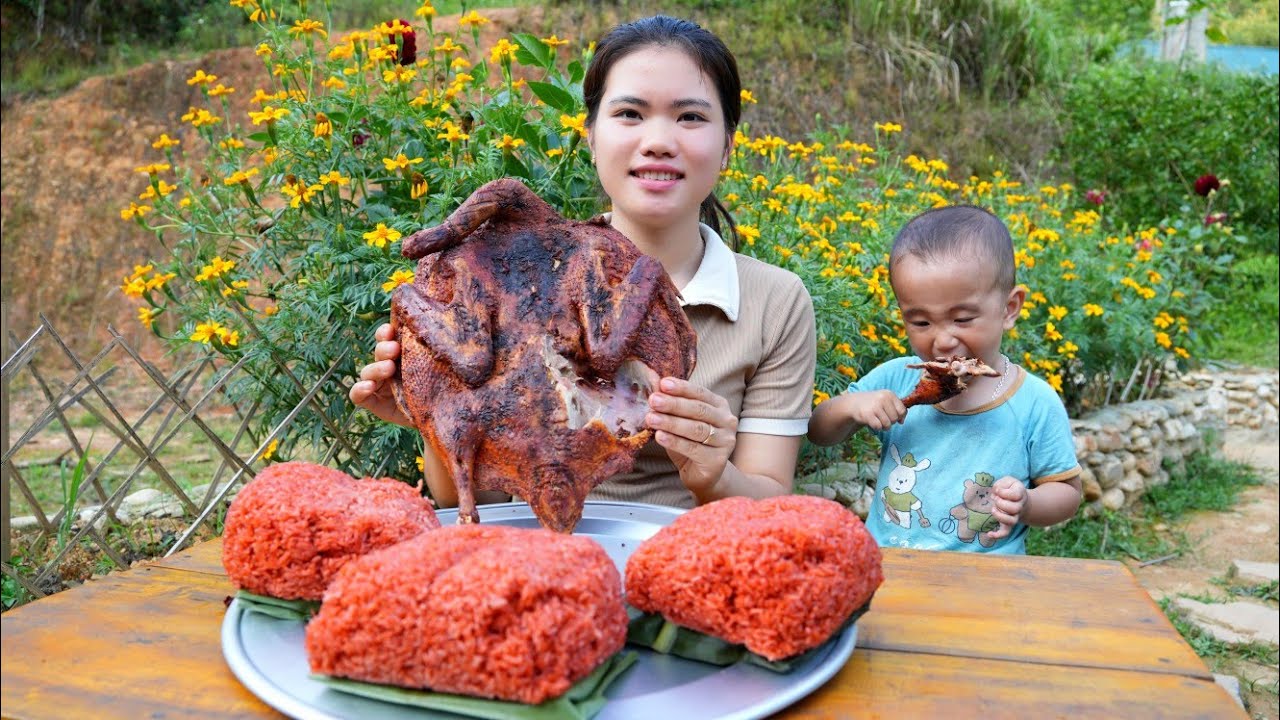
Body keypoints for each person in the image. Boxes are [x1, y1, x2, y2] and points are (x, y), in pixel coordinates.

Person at [350, 15, 816, 510]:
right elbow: (475, 504)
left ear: (727, 147)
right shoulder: (517, 278)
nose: (658, 141)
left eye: (690, 117)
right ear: (591, 137)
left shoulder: (774, 302)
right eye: (630, 113)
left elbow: (772, 499)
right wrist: (432, 413)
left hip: (686, 549)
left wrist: (716, 475)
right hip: (532, 550)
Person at [808, 205, 1082, 553]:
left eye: (962, 319)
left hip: (988, 574)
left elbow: (1067, 493)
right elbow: (819, 432)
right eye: (921, 322)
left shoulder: (1033, 402)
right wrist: (851, 407)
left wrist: (1027, 504)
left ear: (1009, 308)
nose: (943, 340)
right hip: (891, 563)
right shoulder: (897, 378)